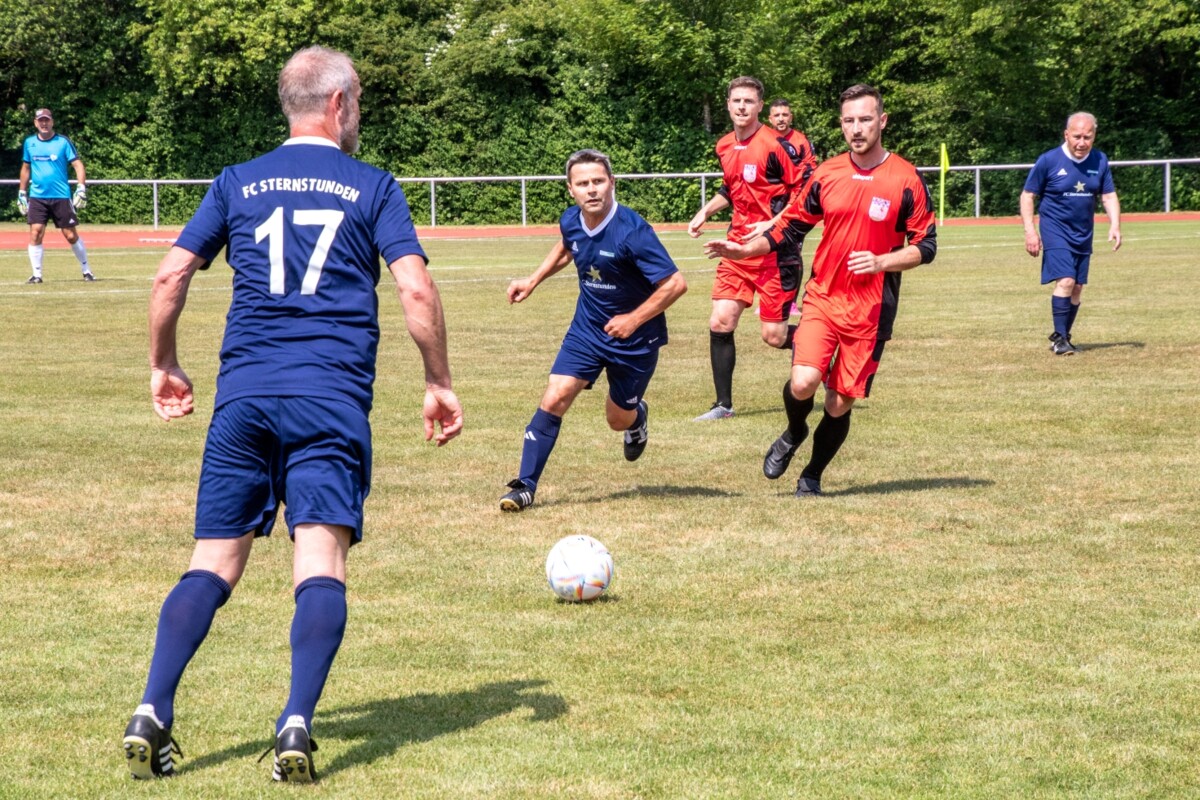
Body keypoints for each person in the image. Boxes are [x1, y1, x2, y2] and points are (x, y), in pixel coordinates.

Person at [121, 46, 463, 783]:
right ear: (338, 104)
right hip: (329, 398)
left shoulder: (236, 181)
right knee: (321, 559)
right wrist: (437, 379)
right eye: (360, 101)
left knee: (212, 561)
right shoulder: (372, 185)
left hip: (244, 396)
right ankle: (296, 723)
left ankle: (152, 708)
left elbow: (171, 271)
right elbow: (415, 290)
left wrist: (163, 362)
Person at [705, 84, 936, 497]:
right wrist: (743, 248)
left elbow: (927, 246)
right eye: (849, 121)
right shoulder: (827, 174)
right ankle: (794, 431)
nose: (857, 128)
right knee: (802, 382)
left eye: (865, 119)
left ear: (882, 121)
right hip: (824, 298)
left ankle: (811, 475)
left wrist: (883, 261)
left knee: (838, 404)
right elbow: (788, 228)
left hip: (871, 310)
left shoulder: (906, 178)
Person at [499, 149, 687, 512]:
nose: (592, 190)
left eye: (599, 181)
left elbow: (675, 284)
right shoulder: (571, 219)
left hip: (635, 339)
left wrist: (633, 319)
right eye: (583, 183)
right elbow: (567, 247)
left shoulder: (633, 232)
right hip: (587, 329)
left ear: (612, 183)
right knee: (555, 396)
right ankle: (524, 485)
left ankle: (637, 416)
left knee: (617, 420)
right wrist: (533, 279)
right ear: (571, 189)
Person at [687, 77, 814, 421]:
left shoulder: (776, 145)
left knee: (773, 336)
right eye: (736, 100)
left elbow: (807, 190)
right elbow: (731, 189)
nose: (742, 106)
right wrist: (705, 211)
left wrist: (774, 222)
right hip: (736, 247)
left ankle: (823, 345)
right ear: (727, 104)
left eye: (749, 101)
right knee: (720, 321)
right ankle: (723, 406)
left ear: (761, 107)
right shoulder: (725, 145)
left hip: (775, 252)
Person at [1020, 112, 1121, 355]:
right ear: (1066, 135)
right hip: (1055, 229)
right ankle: (1060, 339)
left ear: (1094, 136)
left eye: (1087, 137)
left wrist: (1115, 224)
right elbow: (1027, 195)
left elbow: (1107, 196)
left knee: (1076, 287)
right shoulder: (1049, 160)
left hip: (1083, 232)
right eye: (1076, 136)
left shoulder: (1100, 160)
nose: (1081, 142)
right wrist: (1030, 232)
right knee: (1065, 280)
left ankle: (1063, 337)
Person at [18, 107, 93, 282]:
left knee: (70, 235)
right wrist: (22, 193)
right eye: (40, 120)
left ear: (52, 122)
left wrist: (81, 188)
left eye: (47, 120)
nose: (44, 123)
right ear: (35, 123)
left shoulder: (62, 142)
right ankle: (37, 275)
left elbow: (78, 165)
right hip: (37, 196)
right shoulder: (30, 143)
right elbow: (26, 168)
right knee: (36, 232)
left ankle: (86, 269)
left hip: (60, 195)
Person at [768, 97, 820, 309]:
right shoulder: (764, 139)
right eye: (777, 115)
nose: (781, 119)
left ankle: (791, 303)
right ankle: (769, 301)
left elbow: (810, 172)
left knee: (792, 252)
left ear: (791, 117)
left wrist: (798, 201)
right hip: (770, 206)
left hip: (795, 206)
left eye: (785, 114)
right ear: (770, 118)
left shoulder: (800, 141)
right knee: (769, 251)